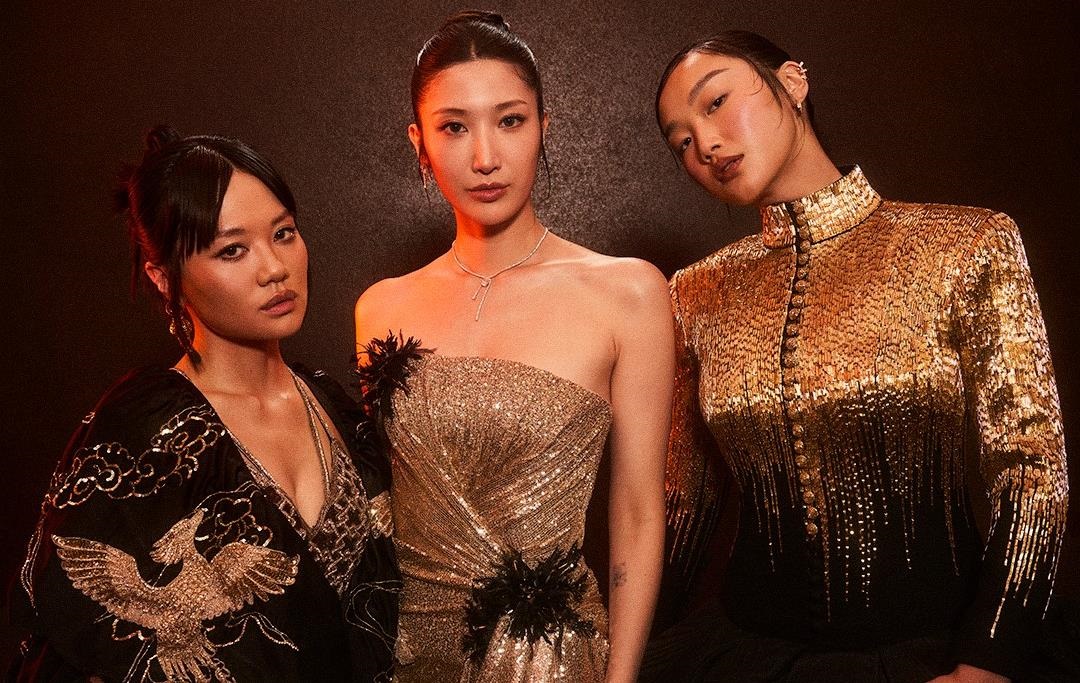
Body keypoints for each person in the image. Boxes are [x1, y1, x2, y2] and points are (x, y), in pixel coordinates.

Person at [643, 30, 1070, 683]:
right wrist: (624, 652)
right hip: (743, 654)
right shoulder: (695, 294)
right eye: (680, 142)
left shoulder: (965, 244)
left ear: (792, 82)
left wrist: (988, 658)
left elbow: (1031, 469)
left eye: (717, 102)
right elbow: (685, 507)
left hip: (934, 651)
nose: (704, 144)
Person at [10, 126, 399, 682]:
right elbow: (68, 632)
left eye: (284, 233)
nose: (274, 268)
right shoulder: (142, 431)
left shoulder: (335, 406)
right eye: (232, 250)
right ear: (164, 278)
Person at [353, 11, 673, 683]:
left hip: (549, 663)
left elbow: (639, 514)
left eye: (510, 121)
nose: (485, 157)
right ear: (418, 143)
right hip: (405, 659)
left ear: (544, 127)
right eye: (453, 127)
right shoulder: (380, 308)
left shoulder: (627, 292)